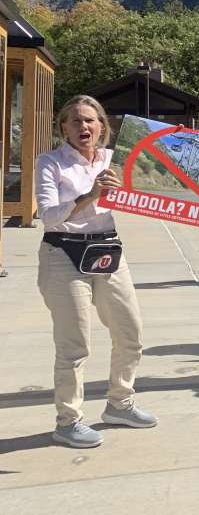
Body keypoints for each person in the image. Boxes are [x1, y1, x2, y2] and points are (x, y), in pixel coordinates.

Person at [35, 95, 158, 448]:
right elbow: (49, 215)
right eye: (75, 121)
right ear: (63, 128)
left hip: (107, 250)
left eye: (90, 120)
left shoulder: (114, 160)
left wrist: (170, 144)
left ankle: (120, 403)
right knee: (74, 345)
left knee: (130, 332)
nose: (83, 127)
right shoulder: (51, 163)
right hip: (63, 254)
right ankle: (68, 421)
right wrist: (89, 195)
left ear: (102, 126)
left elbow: (153, 189)